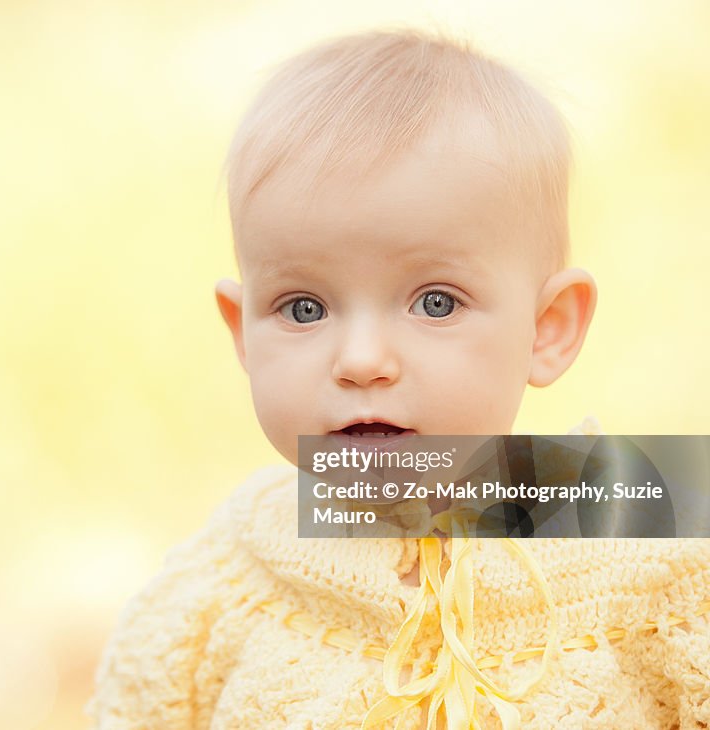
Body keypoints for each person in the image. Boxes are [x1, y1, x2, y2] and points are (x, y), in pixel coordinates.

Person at [86, 29, 710, 728]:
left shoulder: (655, 545)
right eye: (303, 307)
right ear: (242, 332)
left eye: (435, 303)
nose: (360, 360)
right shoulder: (230, 576)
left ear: (548, 327)